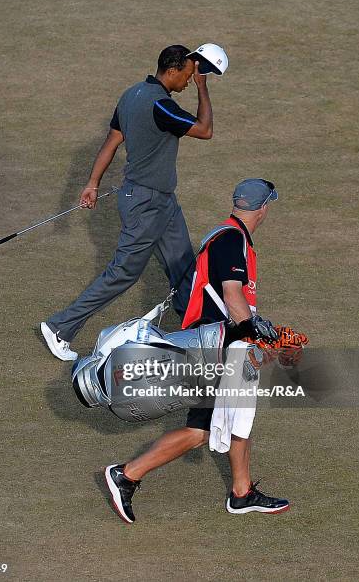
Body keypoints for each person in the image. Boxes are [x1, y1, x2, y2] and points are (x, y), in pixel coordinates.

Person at [105, 179, 291, 523]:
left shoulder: (228, 236)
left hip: (217, 343)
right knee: (218, 424)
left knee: (210, 425)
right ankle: (128, 474)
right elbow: (233, 296)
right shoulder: (232, 240)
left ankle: (240, 491)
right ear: (263, 209)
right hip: (216, 347)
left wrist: (259, 331)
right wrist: (257, 335)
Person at [41, 45, 214, 361]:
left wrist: (92, 183)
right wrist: (204, 90)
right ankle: (59, 327)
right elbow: (205, 130)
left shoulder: (131, 94)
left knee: (183, 265)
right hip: (147, 204)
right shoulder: (162, 105)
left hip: (160, 202)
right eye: (189, 75)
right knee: (124, 273)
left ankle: (202, 330)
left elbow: (111, 143)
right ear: (172, 71)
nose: (190, 81)